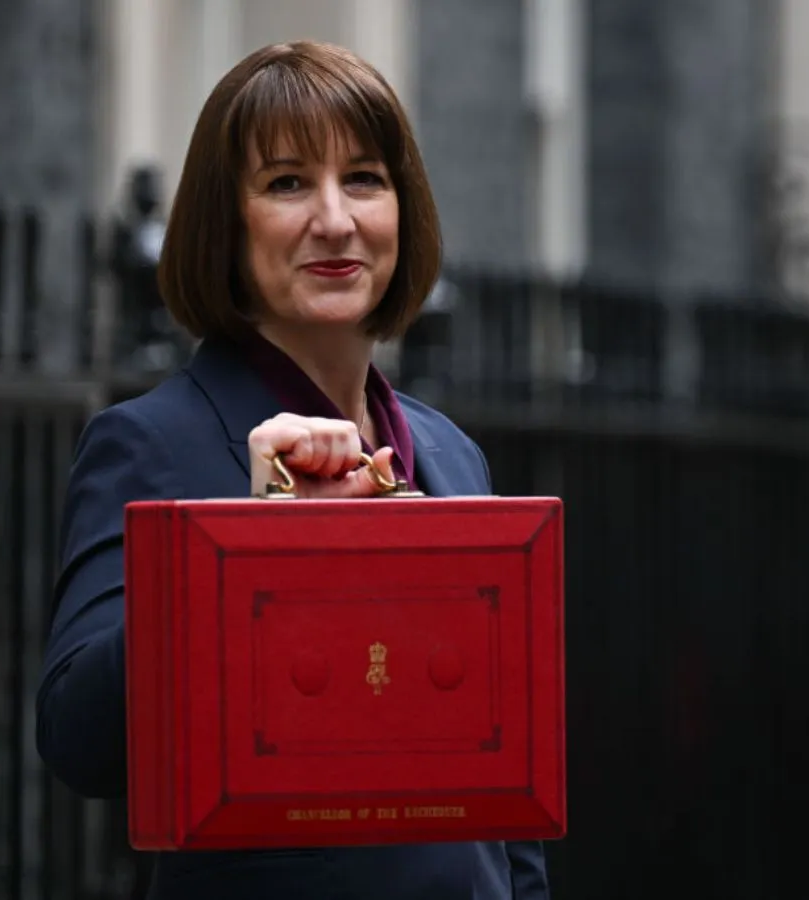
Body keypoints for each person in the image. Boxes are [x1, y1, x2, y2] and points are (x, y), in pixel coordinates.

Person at [37, 40, 551, 900]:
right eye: (286, 183)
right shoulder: (150, 443)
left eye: (364, 179)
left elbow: (504, 797)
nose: (335, 219)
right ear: (226, 226)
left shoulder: (453, 454)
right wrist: (249, 544)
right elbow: (76, 741)